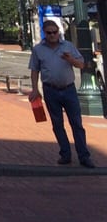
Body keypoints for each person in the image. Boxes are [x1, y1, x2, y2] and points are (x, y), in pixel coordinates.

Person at [28, 20, 95, 168]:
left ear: (59, 32)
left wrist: (70, 59)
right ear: (44, 34)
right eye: (49, 33)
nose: (53, 35)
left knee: (76, 123)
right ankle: (65, 154)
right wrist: (35, 89)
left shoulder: (68, 46)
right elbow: (34, 70)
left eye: (55, 32)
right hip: (50, 89)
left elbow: (82, 64)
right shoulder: (38, 50)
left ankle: (84, 156)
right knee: (57, 123)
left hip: (68, 89)